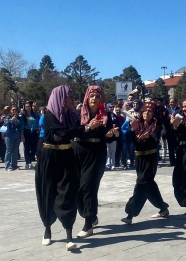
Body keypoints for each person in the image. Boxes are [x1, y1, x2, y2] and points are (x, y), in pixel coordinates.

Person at [35, 85, 102, 250]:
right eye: (70, 96)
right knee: (48, 192)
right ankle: (47, 230)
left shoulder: (72, 115)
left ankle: (69, 236)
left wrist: (94, 127)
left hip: (67, 156)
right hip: (49, 157)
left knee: (68, 193)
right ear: (61, 99)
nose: (73, 99)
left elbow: (79, 133)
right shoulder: (50, 115)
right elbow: (64, 132)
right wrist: (85, 127)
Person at [122, 102, 169, 224]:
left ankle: (130, 213)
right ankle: (163, 207)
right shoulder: (138, 124)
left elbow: (155, 141)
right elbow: (129, 139)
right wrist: (132, 130)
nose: (146, 113)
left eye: (149, 111)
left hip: (150, 157)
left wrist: (148, 136)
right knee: (149, 185)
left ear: (153, 114)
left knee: (141, 184)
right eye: (144, 111)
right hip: (139, 158)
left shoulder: (155, 126)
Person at [74, 86, 109, 238]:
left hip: (96, 153)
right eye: (92, 95)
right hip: (78, 152)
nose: (94, 98)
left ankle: (88, 223)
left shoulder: (106, 115)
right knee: (78, 188)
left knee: (89, 186)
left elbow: (109, 137)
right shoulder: (78, 113)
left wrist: (112, 134)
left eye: (97, 96)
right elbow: (74, 130)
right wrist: (88, 127)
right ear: (87, 97)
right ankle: (91, 215)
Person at [22, 101, 40, 170]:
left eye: (29, 107)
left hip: (34, 132)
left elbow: (37, 123)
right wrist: (22, 135)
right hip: (27, 132)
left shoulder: (34, 115)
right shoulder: (23, 115)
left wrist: (38, 129)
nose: (28, 108)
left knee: (33, 148)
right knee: (27, 148)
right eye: (26, 107)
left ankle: (30, 160)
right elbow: (22, 126)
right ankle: (27, 163)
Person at [104, 104, 120, 170]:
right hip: (107, 135)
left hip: (114, 136)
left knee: (113, 151)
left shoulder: (115, 116)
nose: (111, 108)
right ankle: (108, 164)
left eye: (112, 107)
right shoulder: (105, 116)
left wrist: (115, 127)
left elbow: (118, 124)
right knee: (107, 151)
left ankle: (113, 164)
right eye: (110, 107)